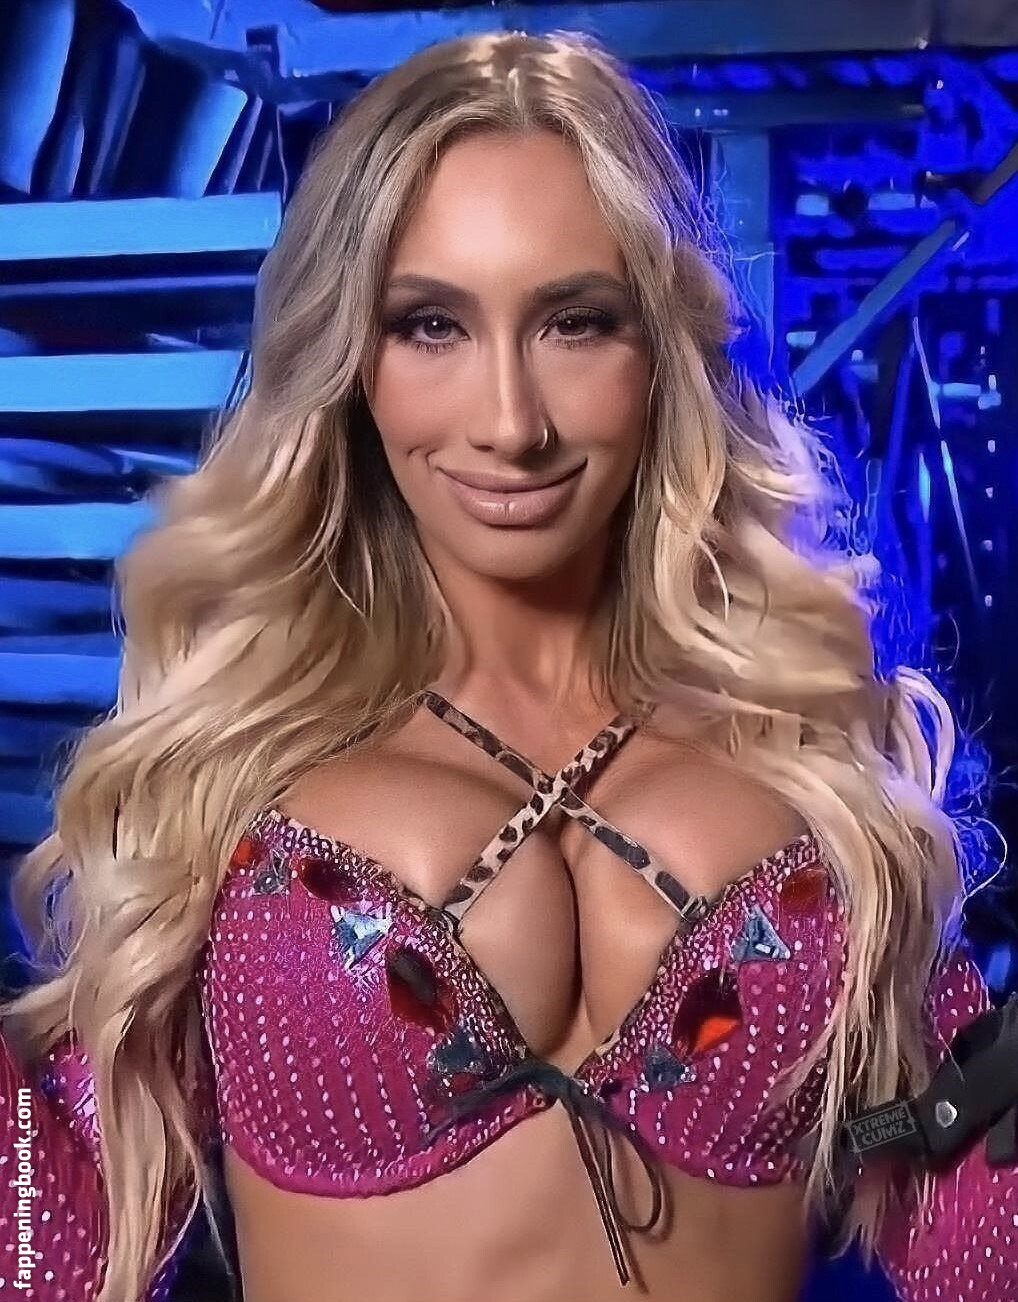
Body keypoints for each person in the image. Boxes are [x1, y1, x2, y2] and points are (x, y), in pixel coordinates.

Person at [1, 27, 1016, 1302]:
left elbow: (965, 1239)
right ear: (348, 361)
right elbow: (58, 1247)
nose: (508, 423)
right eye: (430, 325)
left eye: (574, 323)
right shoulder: (238, 763)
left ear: (660, 351)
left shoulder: (800, 754)